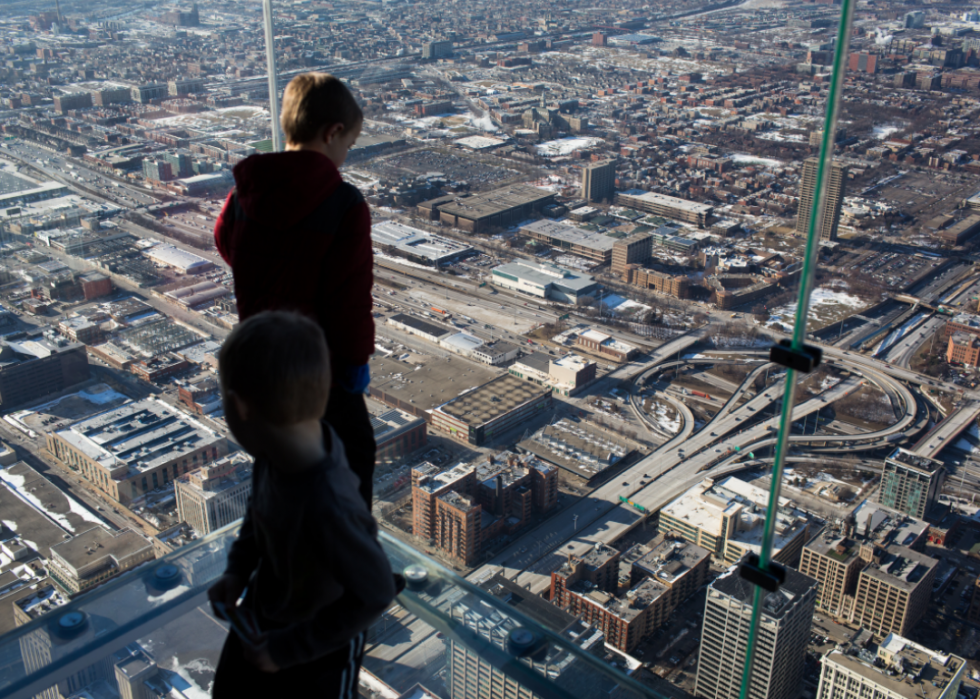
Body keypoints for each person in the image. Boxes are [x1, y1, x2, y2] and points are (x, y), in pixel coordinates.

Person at [208, 311, 396, 695]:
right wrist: (238, 571)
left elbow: (376, 592)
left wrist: (287, 650)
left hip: (320, 651)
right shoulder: (277, 453)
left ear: (239, 407)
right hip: (270, 613)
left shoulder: (328, 502)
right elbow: (260, 515)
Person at [214, 72, 376, 507]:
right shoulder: (345, 205)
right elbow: (350, 301)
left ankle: (286, 558)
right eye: (349, 146)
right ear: (332, 133)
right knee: (352, 460)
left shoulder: (243, 195)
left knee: (280, 463)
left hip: (261, 360)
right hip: (320, 367)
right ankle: (354, 568)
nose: (345, 156)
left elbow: (229, 248)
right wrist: (355, 363)